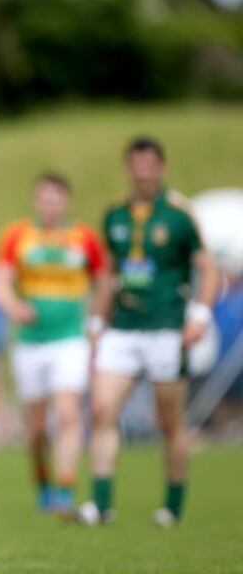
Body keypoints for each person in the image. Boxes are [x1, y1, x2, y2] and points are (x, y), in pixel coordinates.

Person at [79, 136, 220, 527]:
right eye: (136, 163)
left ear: (161, 167)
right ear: (128, 168)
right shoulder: (115, 216)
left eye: (149, 164)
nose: (142, 171)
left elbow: (209, 268)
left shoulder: (178, 214)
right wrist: (96, 321)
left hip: (165, 327)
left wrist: (200, 316)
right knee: (103, 409)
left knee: (168, 421)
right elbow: (107, 274)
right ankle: (100, 504)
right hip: (123, 328)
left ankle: (173, 505)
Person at [0, 172, 105, 516]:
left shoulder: (83, 238)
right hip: (30, 342)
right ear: (36, 201)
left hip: (70, 339)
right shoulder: (17, 236)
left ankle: (65, 489)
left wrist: (96, 323)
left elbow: (104, 282)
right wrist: (14, 306)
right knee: (38, 428)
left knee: (69, 412)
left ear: (66, 201)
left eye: (56, 197)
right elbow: (1, 283)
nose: (50, 203)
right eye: (44, 197)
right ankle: (43, 481)